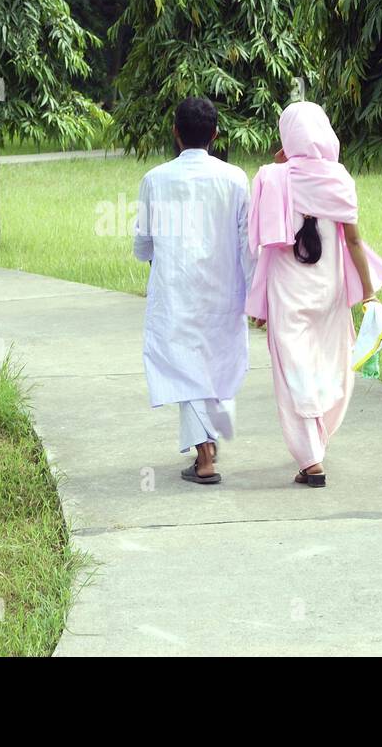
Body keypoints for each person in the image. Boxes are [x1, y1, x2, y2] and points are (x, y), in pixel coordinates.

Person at [246, 101, 382, 488]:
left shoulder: (272, 178)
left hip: (287, 293)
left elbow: (263, 246)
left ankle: (311, 457)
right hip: (329, 292)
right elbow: (356, 242)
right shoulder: (340, 180)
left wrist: (259, 303)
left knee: (293, 371)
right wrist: (370, 295)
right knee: (331, 364)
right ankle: (316, 443)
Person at [133, 97, 253, 484]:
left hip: (176, 289)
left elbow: (143, 245)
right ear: (216, 134)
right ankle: (209, 444)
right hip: (225, 288)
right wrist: (254, 292)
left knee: (186, 366)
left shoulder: (155, 179)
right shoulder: (236, 178)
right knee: (218, 363)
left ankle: (204, 457)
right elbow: (247, 241)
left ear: (175, 133)